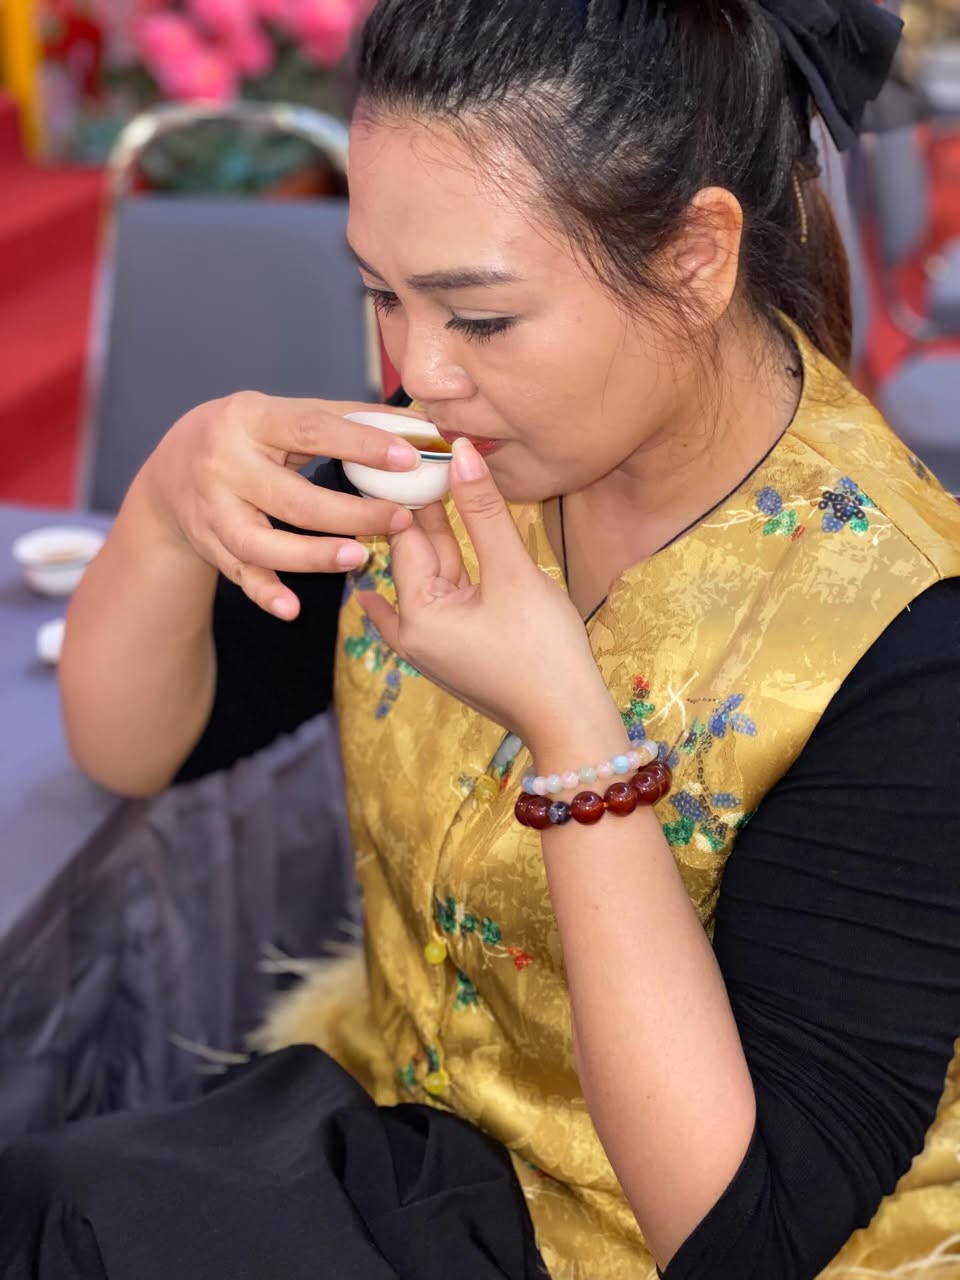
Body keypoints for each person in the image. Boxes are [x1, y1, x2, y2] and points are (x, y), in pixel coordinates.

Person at [2, 1, 959, 1278]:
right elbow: (138, 748)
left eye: (482, 316)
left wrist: (573, 736)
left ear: (695, 257)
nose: (419, 371)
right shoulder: (455, 452)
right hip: (420, 1161)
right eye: (379, 294)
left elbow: (747, 1235)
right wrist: (173, 500)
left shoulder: (906, 635)